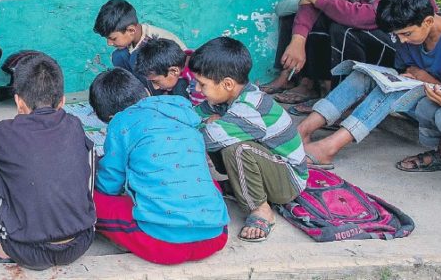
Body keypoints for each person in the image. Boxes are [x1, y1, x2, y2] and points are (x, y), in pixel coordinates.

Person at [0, 52, 95, 270]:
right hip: (82, 241)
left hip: (26, 251)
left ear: (18, 102)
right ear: (63, 101)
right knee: (88, 149)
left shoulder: (2, 132)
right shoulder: (74, 124)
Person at [280, 0, 437, 113]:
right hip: (380, 49)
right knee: (323, 16)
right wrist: (298, 41)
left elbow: (366, 17)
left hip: (407, 54)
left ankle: (345, 104)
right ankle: (323, 88)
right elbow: (310, 3)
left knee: (344, 29)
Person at [296, 0, 441, 170]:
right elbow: (407, 69)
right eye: (397, 35)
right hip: (426, 96)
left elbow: (422, 77)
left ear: (429, 21)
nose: (401, 41)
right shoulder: (408, 36)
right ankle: (303, 130)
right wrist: (411, 74)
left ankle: (329, 148)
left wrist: (432, 81)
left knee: (392, 91)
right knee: (364, 76)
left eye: (407, 34)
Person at [89, 69, 229, 265]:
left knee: (89, 201)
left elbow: (109, 185)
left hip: (164, 244)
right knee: (206, 180)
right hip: (217, 234)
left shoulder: (121, 121)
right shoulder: (184, 112)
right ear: (146, 93)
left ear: (111, 116)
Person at [189, 37, 307, 243]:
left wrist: (200, 126)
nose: (198, 90)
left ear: (227, 84)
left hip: (288, 181)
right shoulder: (227, 98)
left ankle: (261, 210)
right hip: (268, 165)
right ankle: (245, 187)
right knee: (219, 133)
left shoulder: (249, 107)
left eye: (202, 84)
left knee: (235, 148)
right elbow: (192, 116)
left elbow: (205, 138)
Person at [262, 0, 334, 104]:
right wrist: (307, 0)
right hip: (302, 49)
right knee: (291, 14)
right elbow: (281, 9)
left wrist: (316, 1)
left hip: (330, 59)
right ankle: (286, 76)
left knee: (318, 21)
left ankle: (310, 84)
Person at [93, 0, 186, 90]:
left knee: (136, 57)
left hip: (171, 82)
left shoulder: (156, 40)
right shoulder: (132, 40)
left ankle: (149, 96)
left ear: (131, 30)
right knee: (119, 56)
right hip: (154, 79)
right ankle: (136, 92)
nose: (109, 43)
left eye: (113, 38)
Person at [133, 37, 205, 105]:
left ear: (174, 71)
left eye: (156, 82)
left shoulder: (199, 79)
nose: (155, 87)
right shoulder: (175, 61)